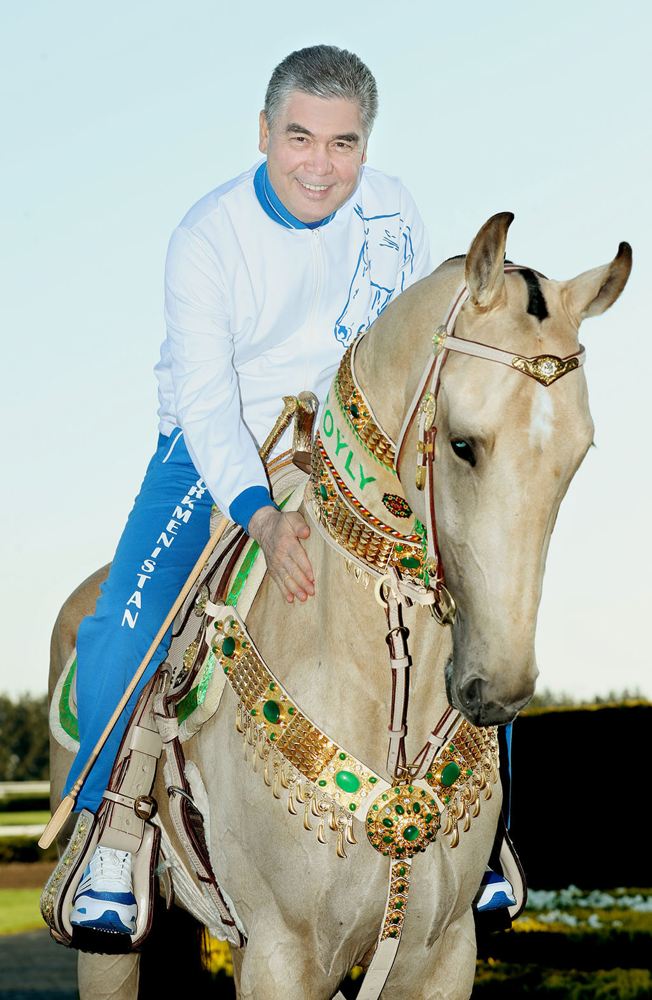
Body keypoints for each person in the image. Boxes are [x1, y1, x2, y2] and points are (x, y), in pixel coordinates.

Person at [64, 44, 432, 937]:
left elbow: (409, 352)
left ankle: (488, 839)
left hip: (351, 444)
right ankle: (108, 835)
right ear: (263, 133)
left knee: (471, 585)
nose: (322, 164)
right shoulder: (207, 236)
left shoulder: (393, 211)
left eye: (344, 143)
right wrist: (259, 514)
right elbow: (204, 398)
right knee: (126, 615)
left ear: (365, 146)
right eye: (301, 137)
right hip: (219, 442)